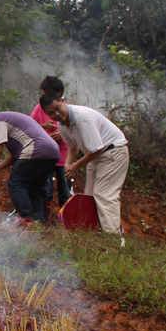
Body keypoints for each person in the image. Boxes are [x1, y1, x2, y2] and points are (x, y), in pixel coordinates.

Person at [40, 95, 129, 234]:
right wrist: (67, 165)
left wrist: (75, 166)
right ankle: (95, 233)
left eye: (58, 108)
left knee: (104, 195)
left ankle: (114, 239)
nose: (56, 114)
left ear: (63, 101)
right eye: (51, 113)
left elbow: (97, 149)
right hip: (95, 156)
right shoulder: (62, 125)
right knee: (89, 197)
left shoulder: (82, 118)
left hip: (113, 152)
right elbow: (72, 148)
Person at [0, 103, 60, 223]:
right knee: (36, 188)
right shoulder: (11, 119)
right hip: (52, 152)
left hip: (36, 149)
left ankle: (27, 220)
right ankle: (40, 222)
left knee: (16, 183)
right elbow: (14, 157)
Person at [30, 76, 71, 208]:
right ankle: (44, 219)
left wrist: (63, 134)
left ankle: (65, 220)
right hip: (46, 155)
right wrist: (43, 127)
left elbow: (75, 130)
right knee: (45, 190)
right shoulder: (39, 108)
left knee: (65, 191)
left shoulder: (68, 107)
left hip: (64, 155)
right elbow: (29, 126)